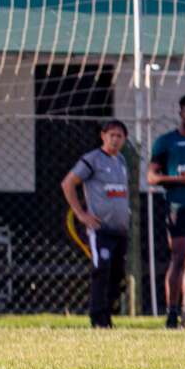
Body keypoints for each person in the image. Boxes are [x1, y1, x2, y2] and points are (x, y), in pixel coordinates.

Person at [61, 120, 130, 328]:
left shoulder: (122, 161)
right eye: (112, 135)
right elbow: (68, 183)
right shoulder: (92, 160)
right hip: (100, 229)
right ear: (103, 136)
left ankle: (107, 316)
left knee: (117, 274)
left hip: (120, 229)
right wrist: (81, 214)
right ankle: (97, 318)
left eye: (119, 136)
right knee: (101, 270)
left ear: (124, 139)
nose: (115, 140)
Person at [148, 93, 185, 329]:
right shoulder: (166, 142)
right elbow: (151, 177)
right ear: (181, 113)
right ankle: (171, 313)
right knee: (179, 257)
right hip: (178, 207)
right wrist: (181, 179)